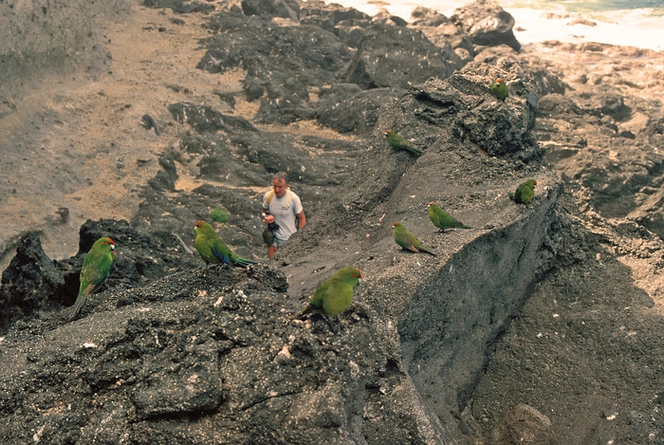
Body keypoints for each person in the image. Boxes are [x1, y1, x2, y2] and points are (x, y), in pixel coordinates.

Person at [261, 172, 306, 258]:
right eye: (275, 186)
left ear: (286, 186)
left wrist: (300, 237)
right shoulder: (268, 196)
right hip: (272, 238)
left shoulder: (293, 198)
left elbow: (302, 217)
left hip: (287, 239)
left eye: (280, 187)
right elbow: (263, 211)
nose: (277, 190)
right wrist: (266, 217)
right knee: (272, 265)